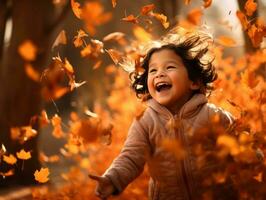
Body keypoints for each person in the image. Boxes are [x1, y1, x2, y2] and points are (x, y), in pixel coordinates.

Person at [89, 27, 235, 200]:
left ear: (194, 82)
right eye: (153, 70)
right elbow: (130, 157)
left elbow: (240, 146)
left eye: (170, 67)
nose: (159, 74)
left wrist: (254, 160)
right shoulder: (145, 122)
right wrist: (112, 179)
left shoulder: (212, 116)